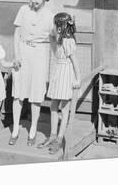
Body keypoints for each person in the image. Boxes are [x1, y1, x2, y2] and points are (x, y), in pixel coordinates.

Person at [9, 0, 53, 146]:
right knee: (18, 92)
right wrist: (17, 55)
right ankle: (15, 129)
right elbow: (16, 33)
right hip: (23, 51)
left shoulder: (49, 15)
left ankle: (33, 129)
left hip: (40, 54)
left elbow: (54, 37)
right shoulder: (23, 10)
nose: (32, 0)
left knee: (36, 94)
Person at [41, 12, 81, 154]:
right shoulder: (58, 39)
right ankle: (52, 135)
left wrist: (78, 78)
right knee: (53, 105)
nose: (53, 27)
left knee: (64, 109)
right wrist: (53, 32)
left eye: (55, 24)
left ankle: (59, 138)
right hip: (58, 72)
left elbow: (74, 62)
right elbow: (52, 41)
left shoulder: (68, 41)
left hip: (66, 74)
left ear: (60, 27)